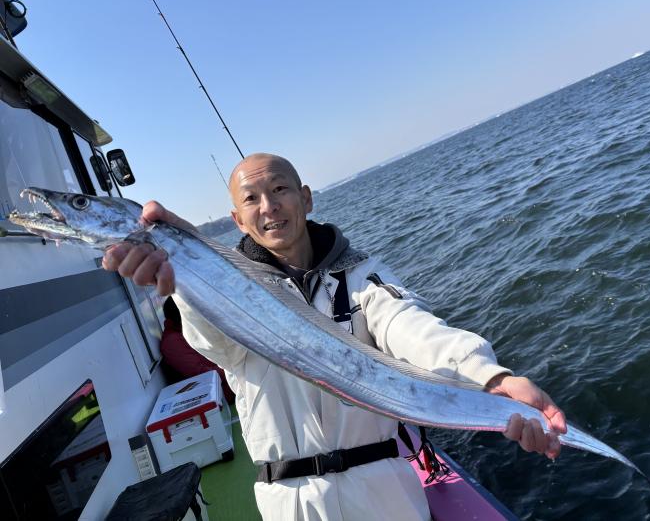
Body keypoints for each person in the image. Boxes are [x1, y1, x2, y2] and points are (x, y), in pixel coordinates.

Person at [103, 153, 566, 521]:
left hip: (386, 493)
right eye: (252, 198)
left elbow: (411, 326)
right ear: (238, 219)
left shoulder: (362, 277)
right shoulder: (224, 290)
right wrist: (182, 284)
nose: (269, 206)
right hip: (290, 502)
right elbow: (216, 345)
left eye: (280, 189)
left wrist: (490, 377)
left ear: (306, 198)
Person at [160, 296, 235, 403]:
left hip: (229, 380)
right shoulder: (172, 342)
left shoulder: (184, 331)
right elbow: (203, 375)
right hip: (220, 391)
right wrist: (232, 369)